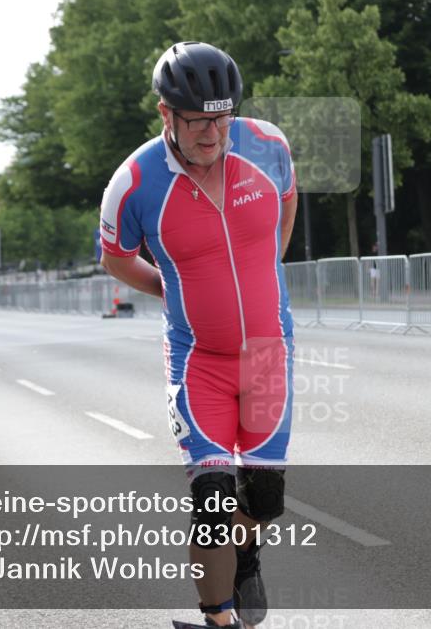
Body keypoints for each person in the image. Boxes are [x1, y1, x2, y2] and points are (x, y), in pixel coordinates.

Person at [99, 41, 297, 629]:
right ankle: (218, 620)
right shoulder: (134, 182)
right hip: (199, 361)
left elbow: (285, 209)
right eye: (198, 121)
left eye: (222, 117)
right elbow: (115, 259)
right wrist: (172, 288)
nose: (213, 133)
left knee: (262, 500)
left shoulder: (270, 148)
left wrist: (267, 270)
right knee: (213, 501)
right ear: (167, 114)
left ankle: (246, 554)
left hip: (266, 354)